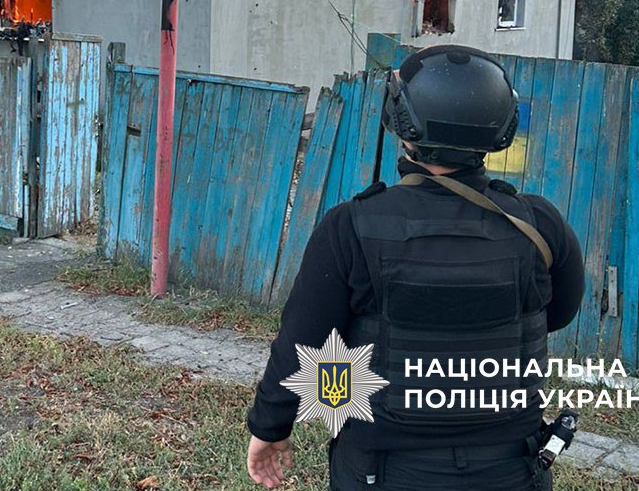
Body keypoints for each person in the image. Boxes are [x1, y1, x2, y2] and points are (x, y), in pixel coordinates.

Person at [246, 44, 585, 490]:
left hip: (383, 470)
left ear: (403, 124)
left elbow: (301, 343)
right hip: (511, 469)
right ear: (500, 129)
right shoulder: (538, 224)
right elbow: (559, 314)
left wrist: (270, 428)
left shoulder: (351, 226)